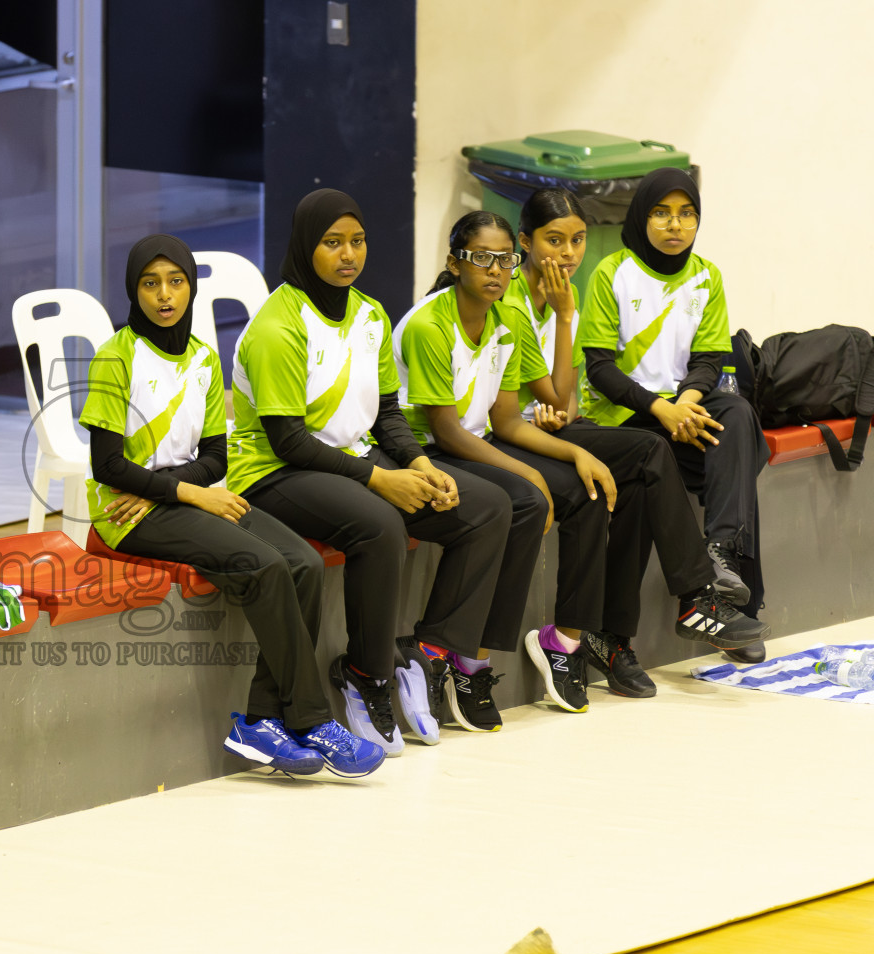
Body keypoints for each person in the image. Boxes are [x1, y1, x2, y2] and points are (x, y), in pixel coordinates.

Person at [397, 208, 768, 713]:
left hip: (505, 436)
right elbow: (452, 429)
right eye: (483, 258)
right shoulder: (434, 322)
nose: (565, 253)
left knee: (602, 484)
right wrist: (537, 469)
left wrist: (565, 320)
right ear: (457, 261)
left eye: (501, 260)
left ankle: (573, 640)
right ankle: (470, 661)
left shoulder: (515, 314)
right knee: (532, 499)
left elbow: (539, 408)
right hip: (437, 450)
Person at [79, 233, 382, 778]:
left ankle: (261, 720)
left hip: (177, 496)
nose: (165, 295)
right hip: (126, 514)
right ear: (133, 289)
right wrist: (187, 491)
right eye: (150, 283)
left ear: (191, 288)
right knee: (264, 565)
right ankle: (310, 720)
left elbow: (216, 456)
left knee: (304, 563)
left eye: (176, 282)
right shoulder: (114, 356)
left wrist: (183, 485)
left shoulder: (201, 356)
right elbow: (107, 466)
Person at [227, 188, 514, 741]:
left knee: (488, 506)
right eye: (332, 243)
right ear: (307, 246)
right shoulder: (277, 327)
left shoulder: (370, 314)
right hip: (273, 473)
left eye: (357, 242)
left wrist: (422, 464)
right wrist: (382, 478)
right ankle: (366, 674)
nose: (348, 255)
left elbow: (387, 414)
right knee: (380, 525)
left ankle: (427, 650)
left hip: (354, 457)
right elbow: (287, 439)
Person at [577, 168, 772, 664]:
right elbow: (599, 368)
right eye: (662, 212)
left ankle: (720, 553)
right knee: (656, 459)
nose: (675, 224)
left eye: (687, 213)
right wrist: (661, 408)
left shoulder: (707, 275)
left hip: (681, 410)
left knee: (736, 414)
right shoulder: (611, 273)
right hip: (627, 417)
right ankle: (703, 600)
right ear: (642, 216)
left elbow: (711, 359)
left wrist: (686, 400)